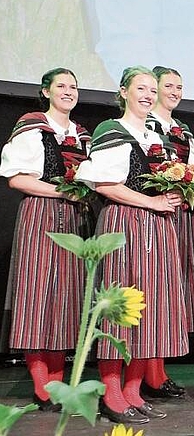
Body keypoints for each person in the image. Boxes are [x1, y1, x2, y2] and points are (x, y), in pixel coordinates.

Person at [76, 66, 189, 424]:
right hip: (125, 224)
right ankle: (111, 394)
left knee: (152, 311)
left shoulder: (158, 135)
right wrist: (153, 202)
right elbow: (106, 184)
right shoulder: (112, 130)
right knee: (122, 309)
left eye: (152, 90)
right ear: (123, 92)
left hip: (159, 228)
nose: (148, 95)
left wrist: (175, 193)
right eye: (141, 88)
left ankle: (133, 392)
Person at [0, 68, 94, 411]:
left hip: (76, 220)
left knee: (66, 298)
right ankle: (42, 384)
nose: (68, 91)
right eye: (62, 86)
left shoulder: (82, 134)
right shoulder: (32, 127)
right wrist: (62, 193)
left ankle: (57, 379)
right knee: (39, 295)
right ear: (46, 91)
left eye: (73, 86)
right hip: (41, 215)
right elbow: (17, 179)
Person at [143, 66, 194, 399]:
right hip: (155, 215)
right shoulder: (145, 126)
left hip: (183, 215)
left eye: (179, 86)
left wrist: (192, 185)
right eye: (168, 85)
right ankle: (150, 373)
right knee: (155, 290)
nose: (174, 91)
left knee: (175, 290)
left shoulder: (183, 131)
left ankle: (159, 370)